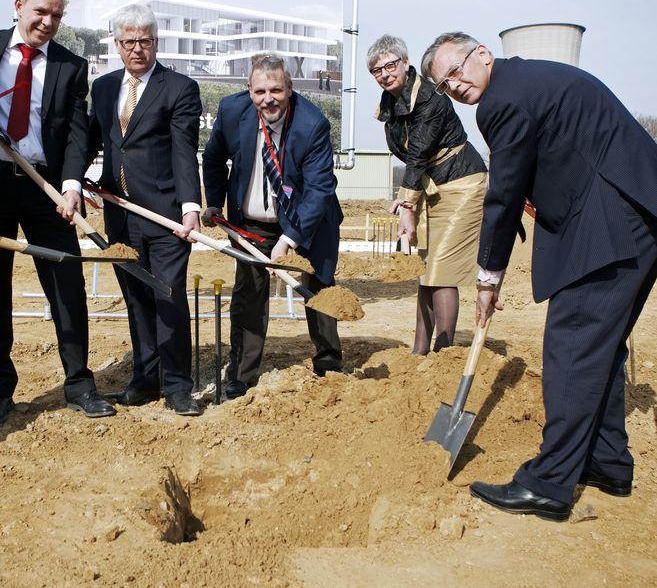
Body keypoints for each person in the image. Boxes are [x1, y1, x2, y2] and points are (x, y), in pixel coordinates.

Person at [422, 31, 657, 521]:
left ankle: (549, 484)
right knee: (602, 346)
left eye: (458, 70)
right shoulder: (528, 81)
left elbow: (503, 195)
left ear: (482, 53)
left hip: (609, 222)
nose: (457, 86)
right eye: (445, 85)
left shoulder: (502, 100)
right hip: (637, 214)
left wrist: (487, 279)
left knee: (571, 343)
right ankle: (606, 461)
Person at [0, 0, 115, 423]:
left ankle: (78, 383)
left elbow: (75, 132)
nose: (48, 22)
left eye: (56, 15)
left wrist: (72, 182)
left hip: (45, 187)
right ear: (18, 6)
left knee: (66, 285)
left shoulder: (71, 66)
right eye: (40, 12)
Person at [201, 53, 344, 396]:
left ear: (290, 88)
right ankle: (242, 373)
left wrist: (291, 238)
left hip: (306, 219)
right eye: (260, 91)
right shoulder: (232, 111)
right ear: (249, 90)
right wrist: (214, 203)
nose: (269, 99)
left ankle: (328, 361)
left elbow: (321, 188)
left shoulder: (312, 124)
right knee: (248, 294)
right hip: (252, 223)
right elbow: (213, 157)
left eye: (277, 90)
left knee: (318, 284)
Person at [87, 4, 203, 416]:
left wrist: (190, 206)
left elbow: (183, 151)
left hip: (166, 216)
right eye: (129, 41)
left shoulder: (179, 88)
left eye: (146, 41)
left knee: (168, 297)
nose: (138, 49)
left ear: (157, 42)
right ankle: (146, 378)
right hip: (118, 214)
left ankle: (177, 386)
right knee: (136, 298)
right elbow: (91, 140)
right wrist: (71, 181)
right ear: (117, 45)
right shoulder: (102, 88)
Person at [367, 34, 487, 354]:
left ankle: (443, 353)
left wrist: (406, 203)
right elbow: (408, 157)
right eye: (377, 70)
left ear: (406, 64)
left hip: (462, 183)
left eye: (391, 64)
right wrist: (411, 200)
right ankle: (419, 352)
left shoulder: (431, 97)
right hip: (428, 185)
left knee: (442, 270)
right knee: (426, 270)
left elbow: (418, 152)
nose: (385, 73)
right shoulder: (389, 105)